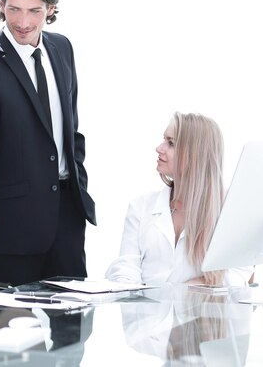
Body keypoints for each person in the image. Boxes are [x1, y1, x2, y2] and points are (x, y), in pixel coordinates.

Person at [0, 0, 96, 290]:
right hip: (11, 230)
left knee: (72, 335)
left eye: (34, 11)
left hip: (66, 222)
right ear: (1, 6)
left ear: (51, 8)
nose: (22, 22)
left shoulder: (62, 48)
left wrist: (78, 186)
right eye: (14, 9)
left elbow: (70, 128)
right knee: (9, 339)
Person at [106, 112, 252, 286]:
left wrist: (193, 287)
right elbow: (127, 268)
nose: (159, 148)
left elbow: (240, 276)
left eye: (171, 143)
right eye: (164, 140)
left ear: (195, 154)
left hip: (202, 312)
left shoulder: (230, 207)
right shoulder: (140, 206)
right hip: (147, 310)